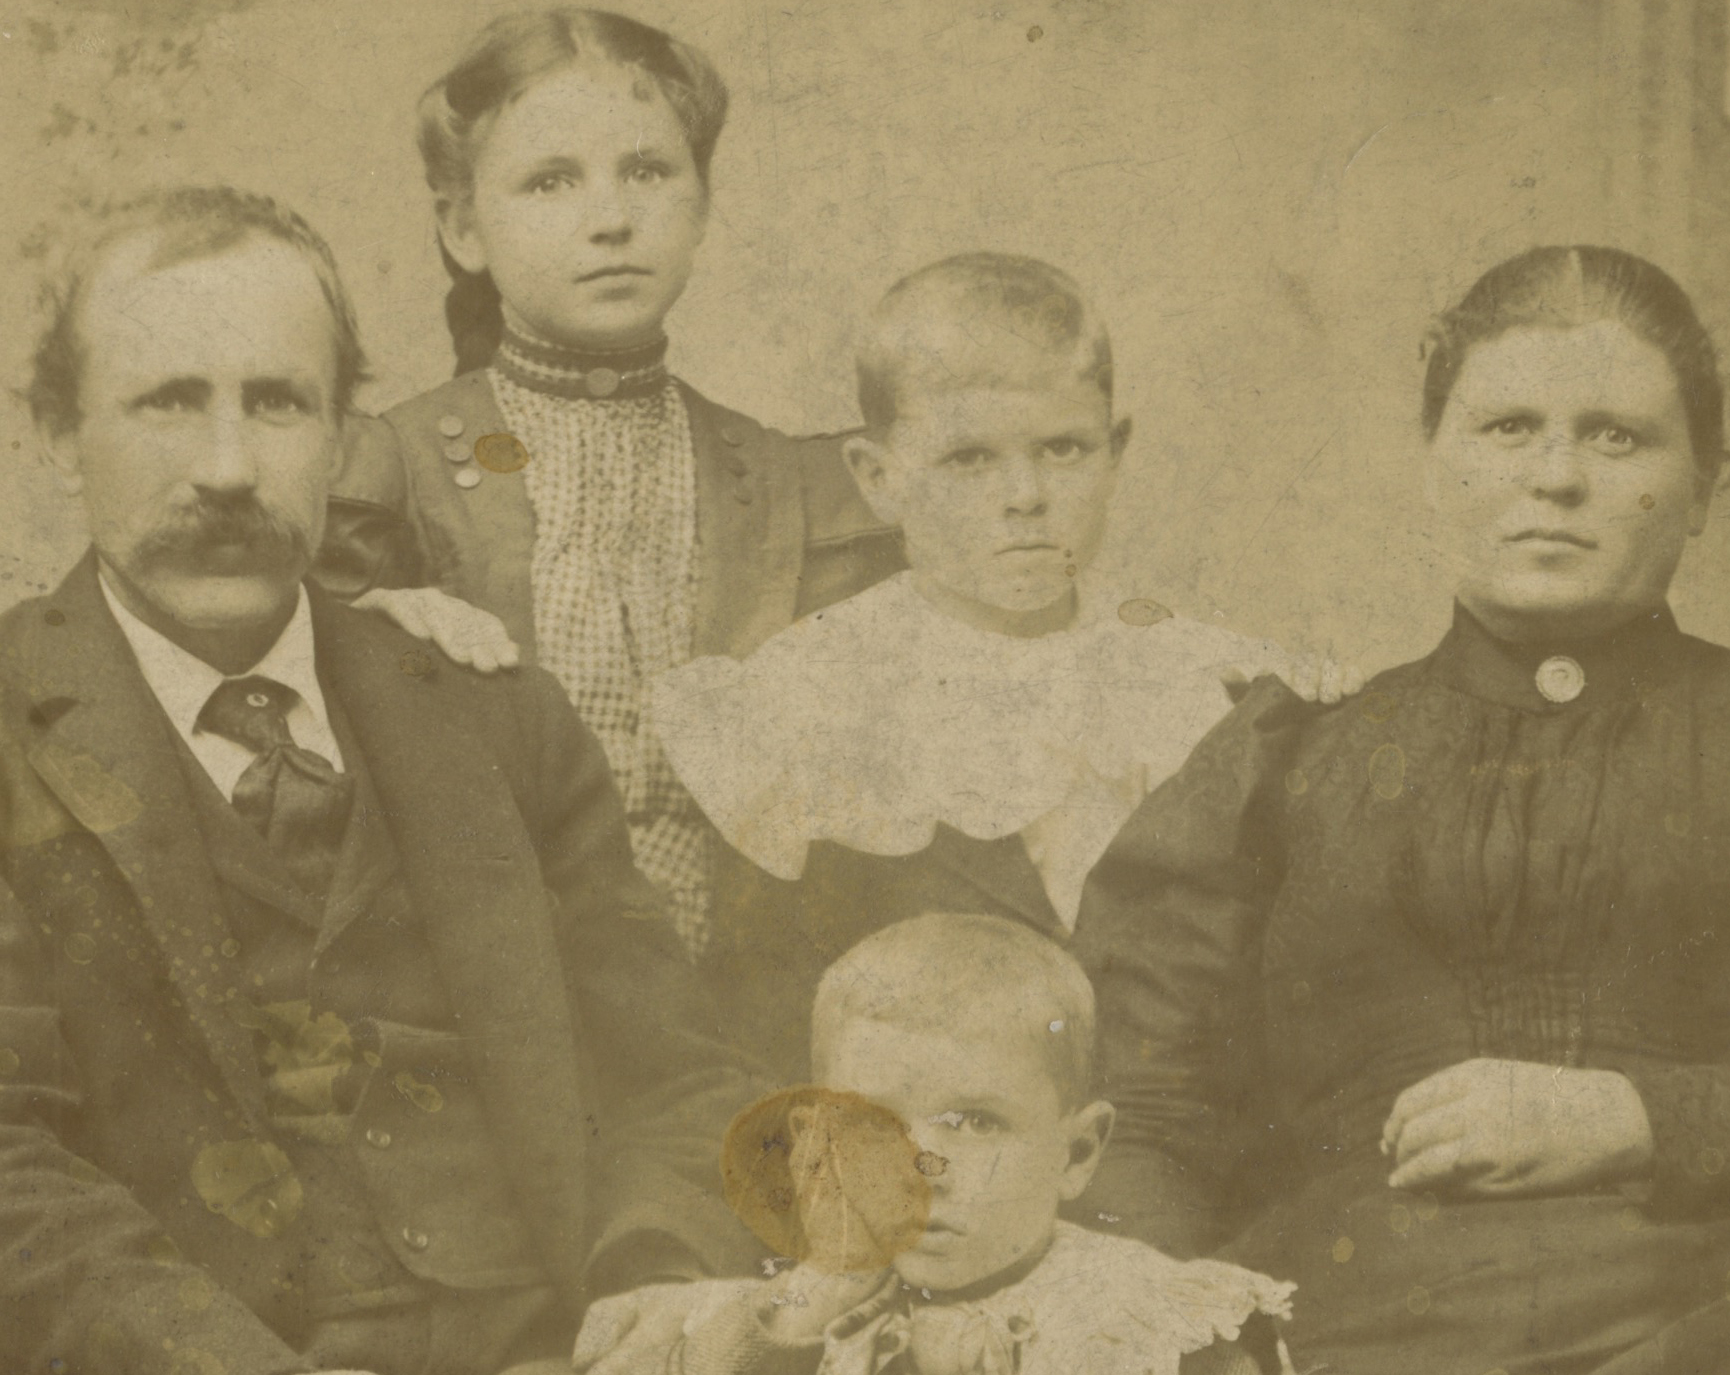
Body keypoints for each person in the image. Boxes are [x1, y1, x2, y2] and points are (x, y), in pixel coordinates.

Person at [0, 186, 758, 1375]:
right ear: (57, 431)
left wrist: (651, 1282)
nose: (228, 468)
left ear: (344, 434)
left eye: (279, 402)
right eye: (167, 401)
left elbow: (673, 1073)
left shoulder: (496, 713)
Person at [1074, 245, 1730, 1373]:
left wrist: (1638, 1117)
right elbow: (1143, 1117)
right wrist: (1178, 1340)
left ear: (1704, 487)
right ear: (1433, 462)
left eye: (1616, 437)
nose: (1554, 477)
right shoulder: (1286, 761)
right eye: (1507, 428)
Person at [650, 252, 1357, 1078]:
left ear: (1115, 451)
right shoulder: (810, 694)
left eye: (1063, 449)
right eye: (970, 459)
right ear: (878, 478)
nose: (1025, 494)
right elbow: (765, 1017)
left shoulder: (1200, 675)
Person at [315, 7, 902, 955]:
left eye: (648, 171)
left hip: (740, 992)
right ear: (464, 228)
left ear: (702, 204)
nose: (612, 220)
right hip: (500, 987)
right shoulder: (395, 467)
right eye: (551, 181)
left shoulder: (781, 476)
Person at [574, 913, 1297, 1375]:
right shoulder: (822, 1298)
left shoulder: (1150, 1324)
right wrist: (789, 1324)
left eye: (977, 1122)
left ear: (1077, 1153)